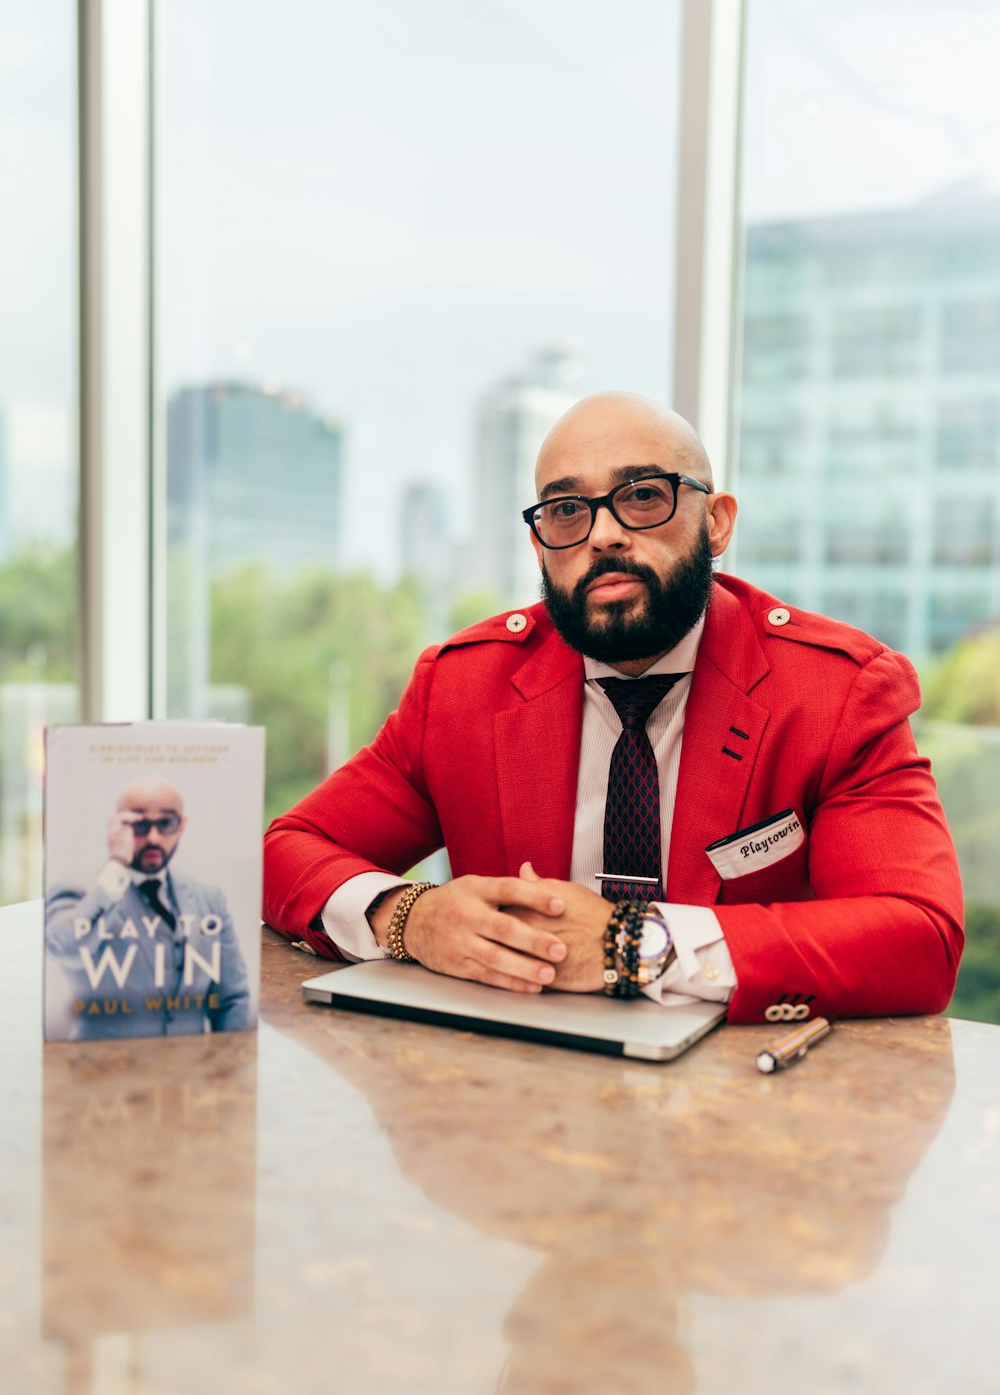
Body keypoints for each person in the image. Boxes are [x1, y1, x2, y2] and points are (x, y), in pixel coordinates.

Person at [262, 392, 964, 1023]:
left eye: (642, 496)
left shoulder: (835, 692)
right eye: (567, 510)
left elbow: (918, 935)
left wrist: (631, 946)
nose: (602, 534)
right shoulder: (463, 691)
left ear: (716, 523)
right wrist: (408, 916)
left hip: (740, 1103)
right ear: (541, 543)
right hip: (502, 1091)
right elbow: (285, 850)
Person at [46, 776, 251, 1038]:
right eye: (139, 824)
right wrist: (116, 867)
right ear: (116, 826)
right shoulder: (80, 892)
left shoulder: (208, 898)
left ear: (182, 826)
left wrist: (229, 1067)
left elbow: (232, 999)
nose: (153, 837)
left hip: (191, 1071)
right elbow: (64, 949)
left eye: (166, 823)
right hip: (103, 1071)